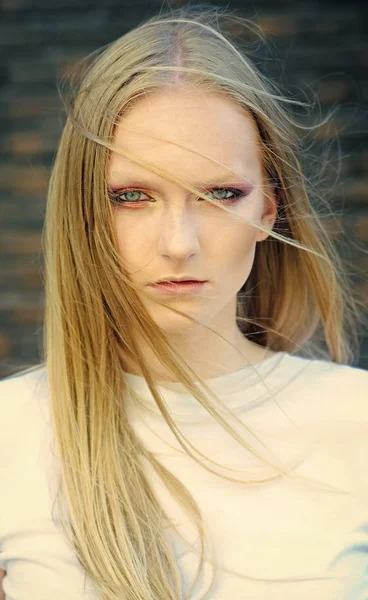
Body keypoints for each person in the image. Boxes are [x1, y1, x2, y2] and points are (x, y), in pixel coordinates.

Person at [0, 4, 367, 600]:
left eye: (219, 194)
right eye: (132, 196)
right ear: (84, 211)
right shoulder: (10, 430)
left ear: (268, 211)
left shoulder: (358, 420)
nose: (179, 244)